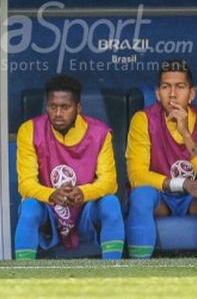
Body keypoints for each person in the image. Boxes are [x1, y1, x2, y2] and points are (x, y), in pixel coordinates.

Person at [126, 59, 197, 259]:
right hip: (160, 199)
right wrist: (184, 184)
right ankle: (137, 270)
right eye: (166, 87)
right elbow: (136, 176)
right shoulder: (143, 120)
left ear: (191, 94)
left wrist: (186, 133)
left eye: (180, 87)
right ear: (158, 93)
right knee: (141, 195)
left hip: (194, 201)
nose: (172, 94)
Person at [15, 75, 124, 260]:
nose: (58, 113)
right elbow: (25, 183)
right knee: (29, 207)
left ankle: (113, 273)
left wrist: (82, 193)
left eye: (65, 107)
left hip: (86, 208)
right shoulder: (29, 130)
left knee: (111, 203)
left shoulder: (99, 133)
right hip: (48, 208)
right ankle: (22, 275)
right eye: (52, 106)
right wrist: (51, 194)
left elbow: (109, 182)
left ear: (78, 108)